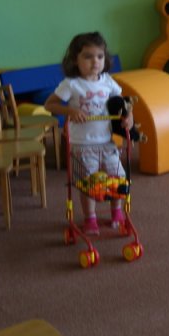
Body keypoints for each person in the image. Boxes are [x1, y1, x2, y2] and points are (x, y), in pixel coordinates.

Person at [44, 32, 134, 236]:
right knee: (89, 184)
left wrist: (129, 117)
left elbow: (124, 103)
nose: (95, 61)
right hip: (82, 145)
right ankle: (90, 218)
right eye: (88, 56)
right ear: (75, 60)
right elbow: (50, 104)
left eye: (100, 56)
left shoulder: (108, 81)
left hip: (107, 142)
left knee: (118, 178)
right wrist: (70, 111)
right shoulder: (72, 84)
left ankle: (117, 212)